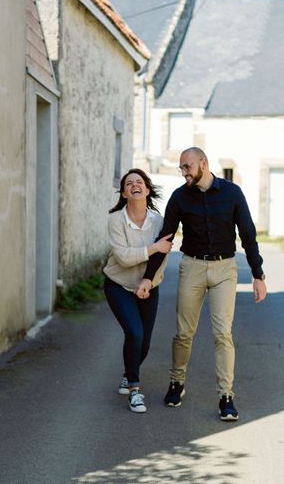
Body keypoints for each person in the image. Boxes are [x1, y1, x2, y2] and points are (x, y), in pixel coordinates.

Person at [136, 147, 267, 421]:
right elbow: (165, 240)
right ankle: (177, 382)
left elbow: (247, 234)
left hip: (224, 269)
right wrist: (148, 276)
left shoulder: (232, 193)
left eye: (188, 167)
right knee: (184, 333)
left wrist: (258, 275)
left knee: (223, 334)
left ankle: (226, 396)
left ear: (203, 164)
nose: (184, 173)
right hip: (192, 266)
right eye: (181, 168)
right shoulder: (179, 197)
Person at [103, 168, 172, 413]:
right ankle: (134, 389)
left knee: (144, 342)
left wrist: (148, 282)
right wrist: (154, 248)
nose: (135, 184)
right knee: (134, 332)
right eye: (129, 183)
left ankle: (127, 372)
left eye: (139, 181)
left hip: (148, 287)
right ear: (124, 192)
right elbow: (123, 257)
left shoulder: (158, 221)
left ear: (147, 189)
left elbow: (163, 257)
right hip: (118, 285)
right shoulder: (116, 220)